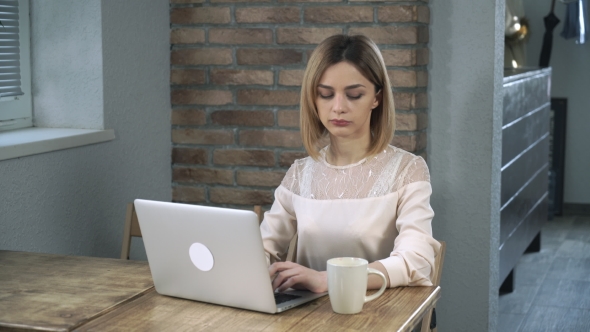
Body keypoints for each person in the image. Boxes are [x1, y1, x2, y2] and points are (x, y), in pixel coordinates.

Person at [260, 34, 440, 294]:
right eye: (325, 94)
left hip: (378, 314)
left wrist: (328, 279)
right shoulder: (300, 174)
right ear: (313, 98)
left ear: (376, 98)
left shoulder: (408, 171)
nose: (338, 107)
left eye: (354, 95)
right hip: (305, 317)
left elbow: (417, 262)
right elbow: (263, 249)